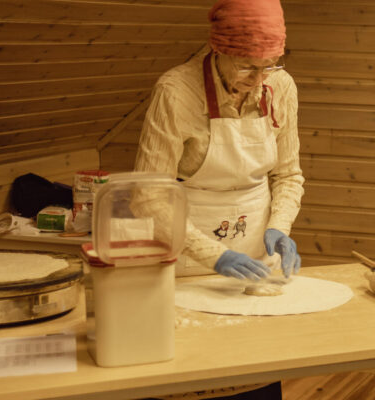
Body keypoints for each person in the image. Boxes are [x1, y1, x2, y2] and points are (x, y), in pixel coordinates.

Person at [134, 0, 303, 398]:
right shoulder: (176, 93)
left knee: (257, 373)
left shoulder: (280, 87)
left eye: (270, 65)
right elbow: (149, 197)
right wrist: (214, 257)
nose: (259, 78)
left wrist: (279, 226)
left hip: (256, 257)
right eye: (246, 66)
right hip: (187, 260)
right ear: (218, 50)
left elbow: (288, 174)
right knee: (193, 374)